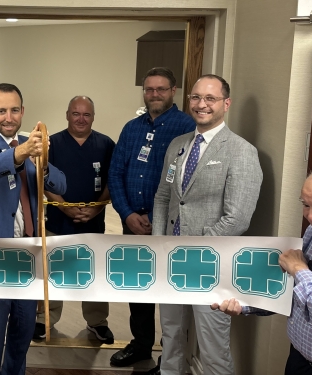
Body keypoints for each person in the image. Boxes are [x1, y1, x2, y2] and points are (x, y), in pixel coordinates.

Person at [152, 74, 262, 375]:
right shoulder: (178, 145)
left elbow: (237, 218)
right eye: (196, 97)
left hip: (209, 265)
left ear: (225, 104)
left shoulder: (241, 152)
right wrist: (158, 244)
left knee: (213, 348)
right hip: (169, 261)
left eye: (210, 99)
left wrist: (193, 249)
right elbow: (164, 196)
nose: (201, 104)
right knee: (171, 338)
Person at [0, 83, 66, 375]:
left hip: (29, 251)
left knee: (23, 330)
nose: (8, 117)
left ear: (22, 111)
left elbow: (61, 185)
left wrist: (43, 163)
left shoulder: (33, 145)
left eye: (13, 110)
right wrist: (21, 152)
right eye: (1, 111)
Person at [212, 166, 312, 375]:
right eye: (306, 205)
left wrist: (299, 269)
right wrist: (246, 304)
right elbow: (296, 293)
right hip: (299, 360)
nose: (311, 217)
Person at [108, 67, 196, 369]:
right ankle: (141, 345)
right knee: (138, 286)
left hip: (171, 227)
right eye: (149, 89)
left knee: (171, 291)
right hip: (132, 223)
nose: (154, 94)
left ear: (173, 91)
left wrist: (154, 217)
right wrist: (127, 213)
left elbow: (188, 183)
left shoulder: (188, 127)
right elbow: (115, 173)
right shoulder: (131, 128)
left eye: (161, 89)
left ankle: (170, 357)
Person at [34, 95, 116, 344]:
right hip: (59, 221)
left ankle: (97, 322)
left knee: (93, 272)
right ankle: (44, 319)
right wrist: (65, 207)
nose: (81, 119)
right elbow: (42, 179)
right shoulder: (53, 143)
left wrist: (97, 208)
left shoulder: (105, 144)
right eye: (76, 113)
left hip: (93, 221)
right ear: (67, 114)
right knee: (53, 272)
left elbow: (113, 179)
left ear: (93, 117)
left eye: (86, 114)